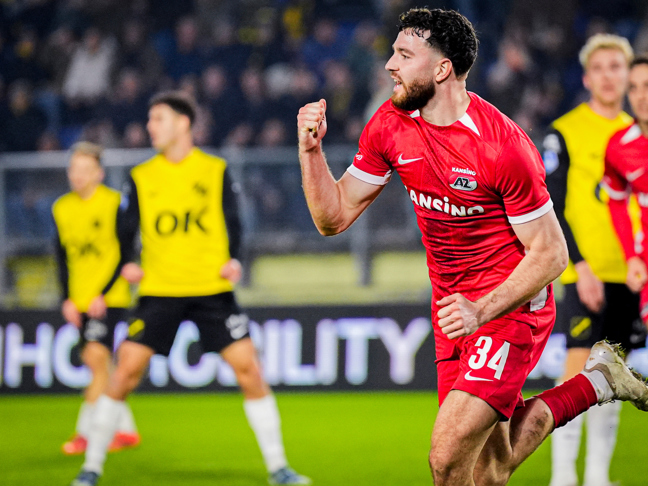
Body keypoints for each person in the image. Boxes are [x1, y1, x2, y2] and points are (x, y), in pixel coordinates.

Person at [296, 8, 648, 486]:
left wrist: (481, 310)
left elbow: (551, 253)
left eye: (404, 55)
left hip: (508, 308)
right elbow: (332, 217)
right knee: (489, 470)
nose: (390, 65)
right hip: (453, 311)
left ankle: (596, 384)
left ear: (442, 69)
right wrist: (311, 152)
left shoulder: (503, 146)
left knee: (445, 458)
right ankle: (598, 382)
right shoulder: (389, 123)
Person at [70, 92, 310, 486]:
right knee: (124, 373)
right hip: (159, 291)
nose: (150, 126)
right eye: (150, 119)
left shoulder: (214, 169)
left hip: (210, 289)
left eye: (158, 119)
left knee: (250, 371)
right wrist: (127, 262)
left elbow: (234, 221)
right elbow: (126, 230)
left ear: (183, 123)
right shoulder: (142, 176)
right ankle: (91, 468)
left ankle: (279, 468)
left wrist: (234, 258)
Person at [542, 34, 647, 486]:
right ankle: (563, 476)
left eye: (616, 67)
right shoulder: (564, 131)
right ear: (586, 78)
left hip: (630, 274)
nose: (608, 76)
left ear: (628, 76)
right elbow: (552, 205)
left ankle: (598, 477)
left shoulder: (635, 133)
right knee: (576, 373)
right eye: (599, 68)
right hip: (584, 273)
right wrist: (579, 266)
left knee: (613, 378)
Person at [53, 142, 140, 456]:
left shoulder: (114, 203)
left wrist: (102, 294)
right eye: (73, 169)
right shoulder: (62, 208)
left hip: (109, 299)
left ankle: (85, 433)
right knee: (102, 366)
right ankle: (126, 430)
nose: (77, 175)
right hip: (78, 301)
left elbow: (126, 254)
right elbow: (62, 258)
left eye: (85, 169)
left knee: (95, 359)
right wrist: (66, 299)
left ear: (99, 173)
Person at [604, 56, 648, 330]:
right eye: (633, 87)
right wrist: (631, 258)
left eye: (647, 85)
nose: (641, 96)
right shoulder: (619, 147)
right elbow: (616, 203)